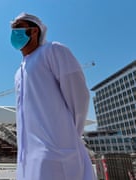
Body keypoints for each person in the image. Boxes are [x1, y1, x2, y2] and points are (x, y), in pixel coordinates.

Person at [10, 12, 96, 180]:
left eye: (17, 28)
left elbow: (78, 96)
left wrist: (67, 135)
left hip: (56, 150)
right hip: (27, 156)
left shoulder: (53, 51)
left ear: (34, 31)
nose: (13, 33)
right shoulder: (18, 72)